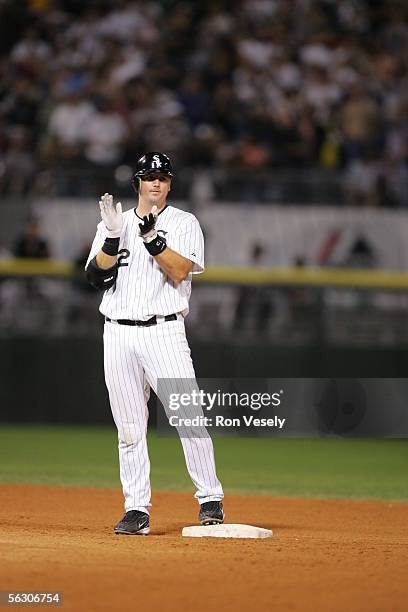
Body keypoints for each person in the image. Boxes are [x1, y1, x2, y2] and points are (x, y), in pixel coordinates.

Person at [85, 152, 224, 535]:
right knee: (129, 426)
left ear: (170, 184)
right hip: (117, 332)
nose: (156, 183)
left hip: (163, 331)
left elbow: (180, 270)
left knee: (188, 417)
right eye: (149, 177)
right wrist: (113, 237)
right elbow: (96, 277)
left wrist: (151, 237)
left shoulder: (184, 222)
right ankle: (136, 509)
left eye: (163, 177)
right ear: (138, 184)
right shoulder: (114, 223)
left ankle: (210, 498)